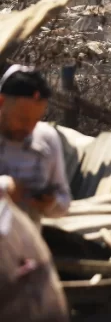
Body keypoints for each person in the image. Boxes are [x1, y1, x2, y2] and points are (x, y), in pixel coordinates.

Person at [0, 66, 71, 226]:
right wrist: (5, 188)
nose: (29, 128)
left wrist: (50, 203)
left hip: (25, 247)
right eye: (23, 119)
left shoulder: (47, 139)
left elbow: (64, 203)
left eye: (36, 120)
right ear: (1, 102)